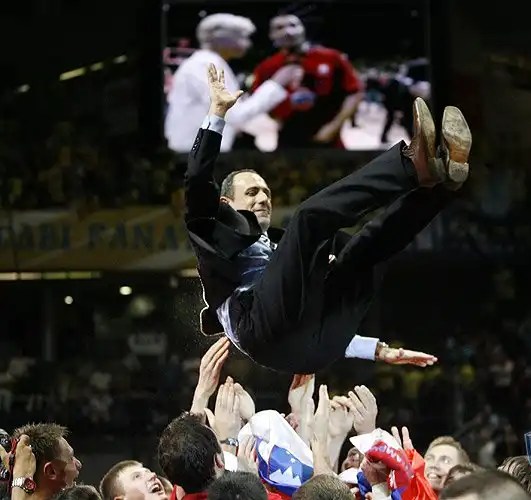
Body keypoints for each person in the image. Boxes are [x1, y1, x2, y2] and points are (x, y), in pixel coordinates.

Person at [186, 64, 471, 374]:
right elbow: (197, 180)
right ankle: (413, 164)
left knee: (364, 250)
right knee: (309, 218)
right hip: (261, 332)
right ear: (226, 203)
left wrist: (376, 350)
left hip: (316, 347)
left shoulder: (282, 249)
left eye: (266, 192)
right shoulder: (213, 234)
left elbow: (302, 313)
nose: (264, 198)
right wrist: (217, 113)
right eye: (252, 192)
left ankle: (440, 185)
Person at [165, 13, 303, 153]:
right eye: (242, 36)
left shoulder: (209, 63)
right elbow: (234, 115)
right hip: (191, 152)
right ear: (222, 39)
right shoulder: (204, 65)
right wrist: (276, 83)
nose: (248, 43)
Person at [252, 14, 364, 149]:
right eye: (279, 28)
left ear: (303, 29)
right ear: (271, 35)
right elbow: (259, 101)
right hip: (288, 141)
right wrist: (276, 118)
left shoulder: (332, 58)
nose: (288, 31)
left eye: (293, 25)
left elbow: (355, 92)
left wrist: (334, 126)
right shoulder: (266, 67)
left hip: (329, 139)